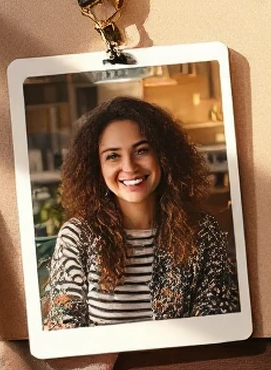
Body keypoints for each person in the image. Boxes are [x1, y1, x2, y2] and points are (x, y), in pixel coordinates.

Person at [42, 96, 240, 329]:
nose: (129, 167)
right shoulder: (77, 236)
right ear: (97, 167)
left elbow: (218, 323)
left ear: (164, 157)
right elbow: (64, 324)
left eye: (141, 150)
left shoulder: (202, 230)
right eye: (113, 155)